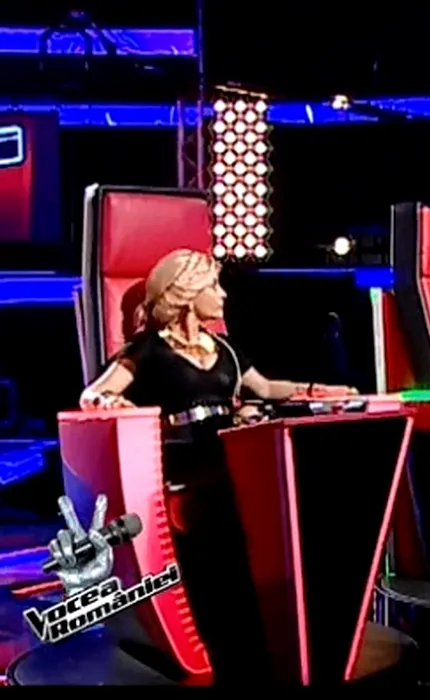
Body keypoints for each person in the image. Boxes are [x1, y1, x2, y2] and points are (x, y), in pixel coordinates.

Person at [79, 249, 353, 684]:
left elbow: (266, 388)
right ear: (186, 294)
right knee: (210, 580)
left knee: (251, 569)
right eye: (213, 286)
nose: (222, 295)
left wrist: (318, 389)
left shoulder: (224, 348)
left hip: (234, 472)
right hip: (184, 481)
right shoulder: (149, 351)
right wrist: (118, 405)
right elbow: (94, 394)